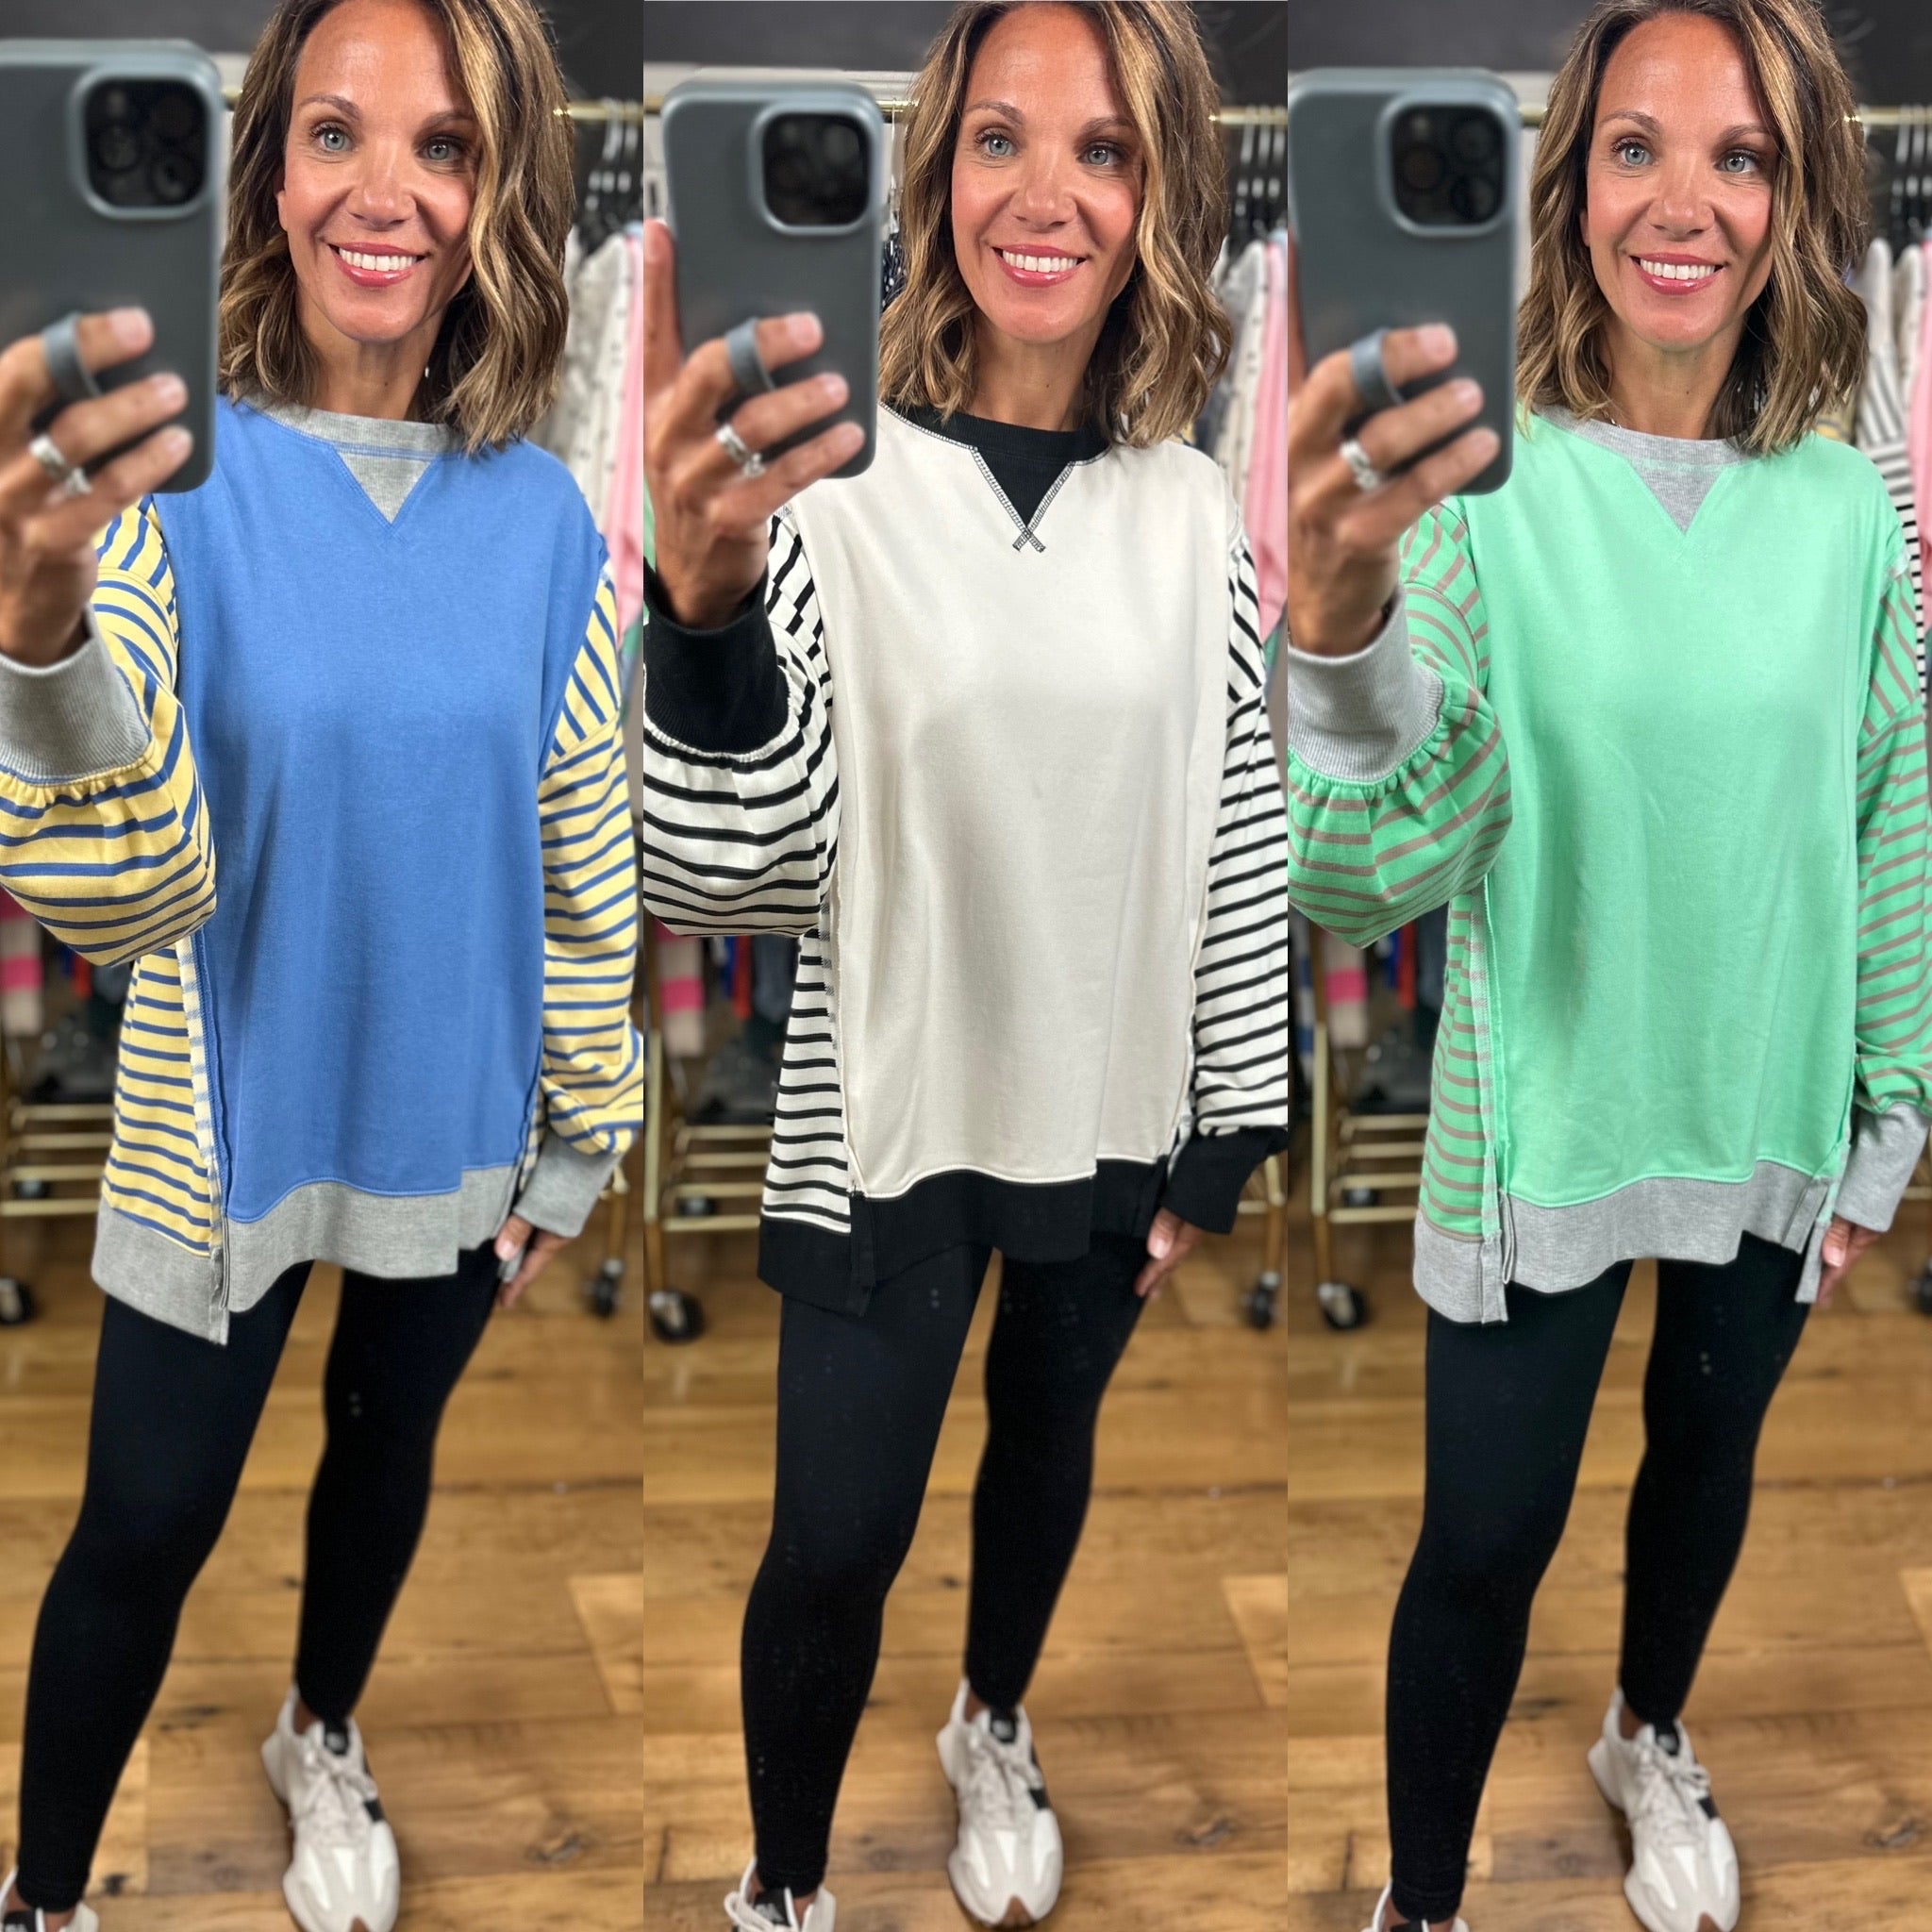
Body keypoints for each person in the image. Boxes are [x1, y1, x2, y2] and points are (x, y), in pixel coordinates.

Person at [640, 3, 1291, 1925]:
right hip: (894, 1108)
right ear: (932, 178)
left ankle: (992, 1714)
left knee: (1044, 1448)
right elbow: (730, 867)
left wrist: (1224, 1130)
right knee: (834, 1538)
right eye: (999, 138)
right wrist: (700, 612)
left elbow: (1239, 825)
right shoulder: (827, 497)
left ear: (1159, 196)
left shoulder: (1194, 514)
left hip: (1111, 1104)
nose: (1045, 194)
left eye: (1103, 150)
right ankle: (781, 1881)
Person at [1284, 3, 1932, 1929]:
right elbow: (1365, 871)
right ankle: (1419, 1900)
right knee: (1481, 1543)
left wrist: (1891, 1110)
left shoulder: (1848, 502)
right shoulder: (1477, 496)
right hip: (1545, 1123)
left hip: (1769, 1109)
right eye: (1635, 147)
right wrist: (1342, 620)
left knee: (1703, 1469)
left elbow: (1891, 811)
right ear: (1568, 186)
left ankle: (1648, 1729)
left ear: (1797, 200)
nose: (1683, 203)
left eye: (1740, 157)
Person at [0, 0, 641, 1925]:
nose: (387, 191)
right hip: (223, 1131)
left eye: (443, 146)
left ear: (495, 195)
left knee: (385, 1452)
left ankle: (320, 1727)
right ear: (268, 173)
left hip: (455, 1124)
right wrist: (37, 631)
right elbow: (117, 891)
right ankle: (44, 1890)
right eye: (338, 134)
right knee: (142, 1525)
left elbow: (581, 859)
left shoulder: (545, 521)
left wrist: (579, 1134)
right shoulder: (167, 495)